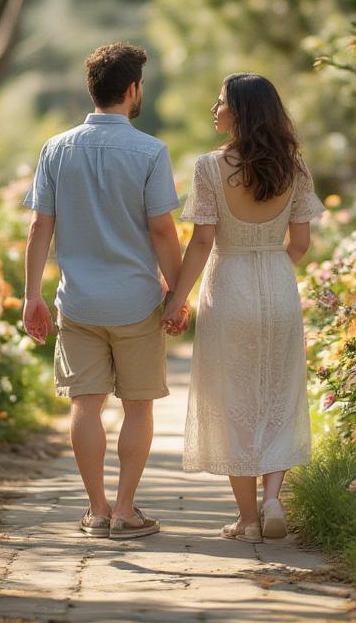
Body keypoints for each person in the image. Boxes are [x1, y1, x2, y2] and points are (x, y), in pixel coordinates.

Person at [22, 42, 190, 540]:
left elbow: (39, 228)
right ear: (133, 89)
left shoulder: (55, 148)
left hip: (78, 302)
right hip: (137, 301)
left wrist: (32, 294)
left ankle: (94, 510)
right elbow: (163, 231)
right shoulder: (150, 151)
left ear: (91, 88)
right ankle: (125, 510)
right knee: (138, 406)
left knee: (85, 404)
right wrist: (178, 295)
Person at [163, 74, 323, 542]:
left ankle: (249, 521)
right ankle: (273, 497)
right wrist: (272, 267)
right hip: (278, 283)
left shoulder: (210, 168)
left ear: (241, 111)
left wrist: (177, 299)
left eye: (221, 103)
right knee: (278, 394)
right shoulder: (294, 167)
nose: (214, 110)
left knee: (233, 401)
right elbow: (301, 243)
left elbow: (203, 241)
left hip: (228, 282)